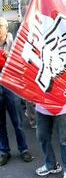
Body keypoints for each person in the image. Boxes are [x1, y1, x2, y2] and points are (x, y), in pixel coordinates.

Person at [0, 17, 33, 166]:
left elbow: (23, 63)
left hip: (11, 86)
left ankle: (23, 149)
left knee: (17, 121)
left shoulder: (14, 43)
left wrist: (11, 59)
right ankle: (4, 151)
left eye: (0, 26)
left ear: (6, 28)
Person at [35, 96, 66, 178]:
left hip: (62, 104)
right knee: (42, 136)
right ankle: (51, 164)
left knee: (64, 139)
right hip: (42, 104)